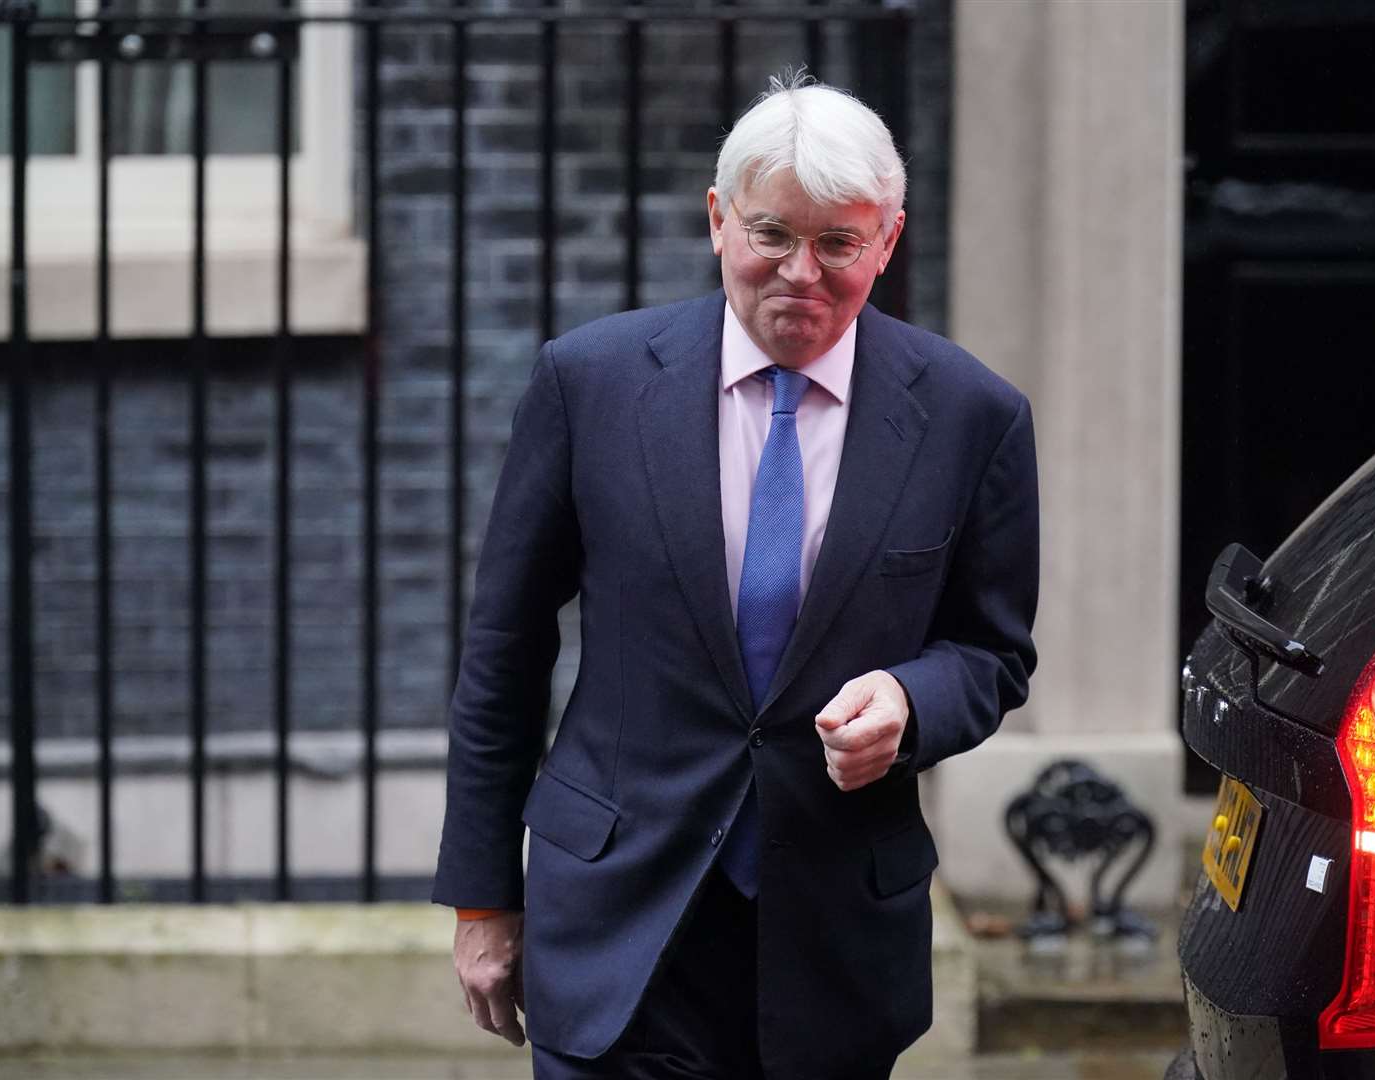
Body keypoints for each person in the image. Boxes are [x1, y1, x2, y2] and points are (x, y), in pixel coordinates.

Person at [432, 74, 1039, 1080]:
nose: (801, 272)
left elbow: (992, 652)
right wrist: (484, 901)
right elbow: (505, 648)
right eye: (772, 234)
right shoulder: (591, 384)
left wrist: (909, 698)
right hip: (621, 915)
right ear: (719, 222)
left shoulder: (973, 417)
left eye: (838, 242)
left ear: (887, 241)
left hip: (832, 933)